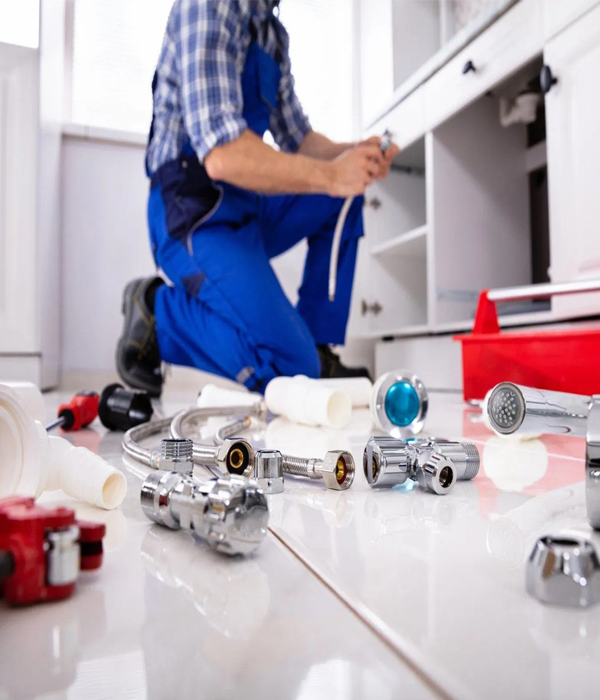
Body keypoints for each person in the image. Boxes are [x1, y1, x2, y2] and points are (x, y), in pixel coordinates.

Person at [116, 0, 399, 398]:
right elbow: (223, 156)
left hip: (245, 202)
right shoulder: (209, 6)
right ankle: (159, 315)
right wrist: (335, 174)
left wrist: (356, 155)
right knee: (290, 368)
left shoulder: (271, 33)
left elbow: (299, 140)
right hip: (191, 210)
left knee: (342, 197)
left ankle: (317, 349)